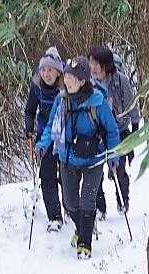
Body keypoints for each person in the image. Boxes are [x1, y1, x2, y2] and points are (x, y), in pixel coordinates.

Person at [36, 56, 120, 259]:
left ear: (82, 81)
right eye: (66, 76)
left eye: (72, 78)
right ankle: (82, 228)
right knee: (70, 203)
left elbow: (111, 130)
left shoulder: (98, 102)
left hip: (93, 159)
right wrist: (42, 144)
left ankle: (85, 243)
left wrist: (113, 155)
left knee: (87, 202)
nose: (67, 80)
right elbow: (52, 126)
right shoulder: (61, 99)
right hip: (67, 157)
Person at [90, 45, 140, 215]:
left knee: (119, 169)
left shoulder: (121, 81)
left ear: (106, 66)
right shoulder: (89, 84)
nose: (93, 68)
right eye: (91, 63)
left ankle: (122, 200)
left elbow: (131, 104)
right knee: (96, 172)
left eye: (96, 64)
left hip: (119, 131)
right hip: (97, 133)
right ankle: (100, 207)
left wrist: (135, 129)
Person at [23, 49, 66, 232]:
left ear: (58, 72)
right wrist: (29, 129)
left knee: (66, 176)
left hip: (64, 137)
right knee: (47, 176)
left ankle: (70, 208)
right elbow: (29, 110)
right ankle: (54, 217)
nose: (46, 74)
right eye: (43, 70)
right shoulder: (36, 86)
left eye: (50, 70)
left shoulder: (66, 86)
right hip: (44, 137)